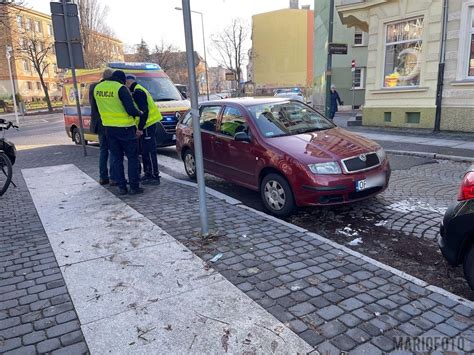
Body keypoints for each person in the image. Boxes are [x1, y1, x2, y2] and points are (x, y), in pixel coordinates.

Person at [93, 70, 144, 195]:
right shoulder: (120, 88)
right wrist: (140, 113)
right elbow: (130, 109)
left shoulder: (97, 88)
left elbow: (96, 108)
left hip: (109, 129)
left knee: (116, 158)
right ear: (121, 79)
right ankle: (134, 186)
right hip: (125, 128)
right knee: (132, 158)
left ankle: (121, 187)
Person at [126, 74, 162, 185]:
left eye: (125, 84)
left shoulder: (138, 92)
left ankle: (154, 176)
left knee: (150, 151)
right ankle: (148, 174)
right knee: (146, 151)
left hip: (147, 125)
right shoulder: (138, 90)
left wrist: (140, 128)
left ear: (128, 82)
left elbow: (144, 111)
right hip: (147, 124)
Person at [89, 68, 114, 185]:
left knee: (103, 151)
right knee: (114, 151)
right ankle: (114, 177)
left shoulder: (94, 87)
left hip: (98, 125)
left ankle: (103, 177)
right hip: (109, 123)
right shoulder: (111, 87)